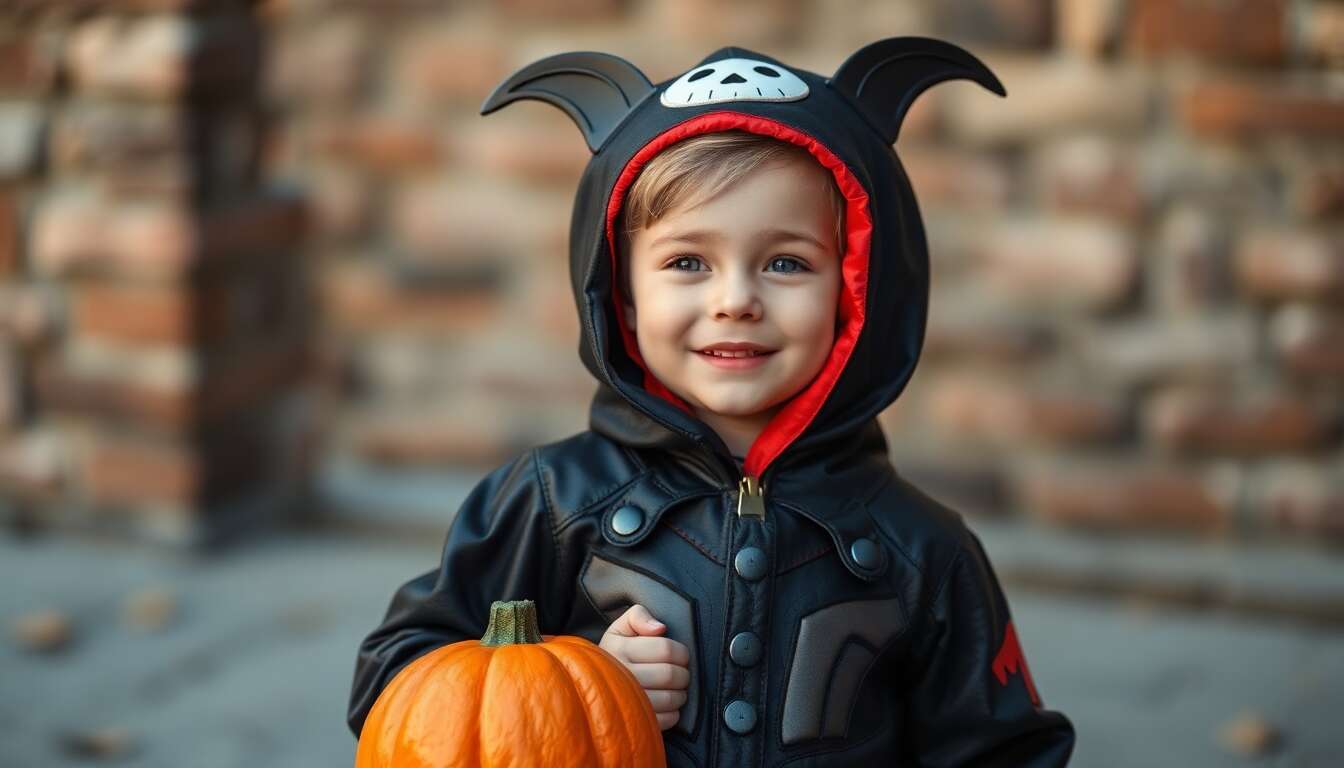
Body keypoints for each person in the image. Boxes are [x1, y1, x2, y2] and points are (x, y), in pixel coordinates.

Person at [348, 38, 1076, 767]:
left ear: (859, 293)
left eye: (786, 262)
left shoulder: (922, 548)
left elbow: (1004, 749)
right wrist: (582, 679)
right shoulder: (551, 504)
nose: (735, 300)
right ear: (621, 295)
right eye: (687, 262)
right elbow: (395, 682)